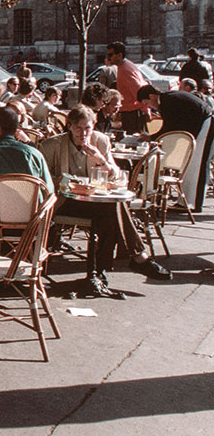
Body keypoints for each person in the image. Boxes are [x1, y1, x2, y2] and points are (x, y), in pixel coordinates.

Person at [39, 105, 170, 296]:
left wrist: (101, 160)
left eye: (87, 128)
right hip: (65, 202)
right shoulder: (52, 145)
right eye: (78, 128)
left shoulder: (100, 141)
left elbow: (117, 177)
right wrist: (69, 182)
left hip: (93, 201)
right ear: (69, 126)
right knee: (112, 209)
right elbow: (43, 179)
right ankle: (134, 258)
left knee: (111, 209)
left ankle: (99, 273)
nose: (83, 133)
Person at [105, 43, 146, 132]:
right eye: (107, 55)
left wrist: (146, 110)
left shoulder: (125, 70)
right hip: (130, 112)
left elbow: (138, 91)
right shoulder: (125, 66)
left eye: (110, 55)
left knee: (131, 138)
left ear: (119, 55)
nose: (108, 58)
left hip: (132, 114)